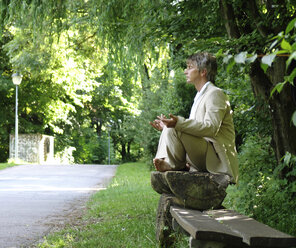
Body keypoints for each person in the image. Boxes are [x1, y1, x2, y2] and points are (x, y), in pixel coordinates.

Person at [150, 52, 238, 184]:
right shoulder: (200, 96)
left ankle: (172, 165)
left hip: (215, 158)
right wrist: (167, 127)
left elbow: (211, 129)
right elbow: (193, 128)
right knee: (171, 128)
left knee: (176, 126)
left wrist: (178, 123)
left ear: (203, 72)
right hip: (203, 153)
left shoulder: (215, 94)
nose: (185, 71)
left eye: (189, 67)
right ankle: (170, 163)